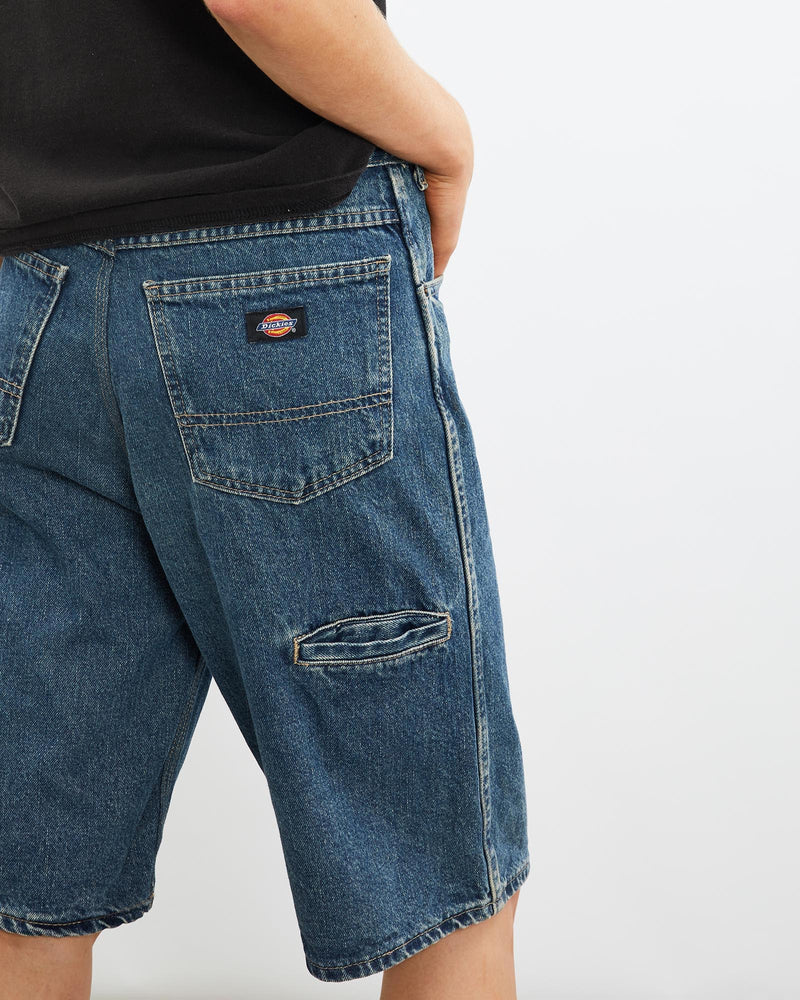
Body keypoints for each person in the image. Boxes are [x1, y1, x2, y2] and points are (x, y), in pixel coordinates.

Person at [0, 1, 530, 997]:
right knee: (445, 877)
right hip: (281, 260)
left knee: (26, 895)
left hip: (35, 278)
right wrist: (443, 133)